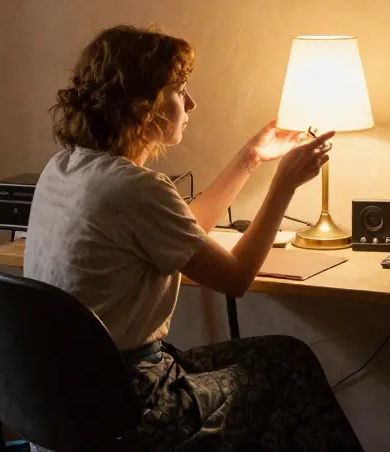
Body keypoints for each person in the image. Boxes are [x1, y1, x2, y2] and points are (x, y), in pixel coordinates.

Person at [24, 25, 365, 452]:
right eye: (178, 89)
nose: (190, 102)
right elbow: (236, 278)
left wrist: (250, 159)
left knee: (281, 358)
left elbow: (183, 229)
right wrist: (284, 187)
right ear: (139, 104)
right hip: (132, 404)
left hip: (63, 400)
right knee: (288, 367)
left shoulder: (65, 168)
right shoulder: (136, 189)